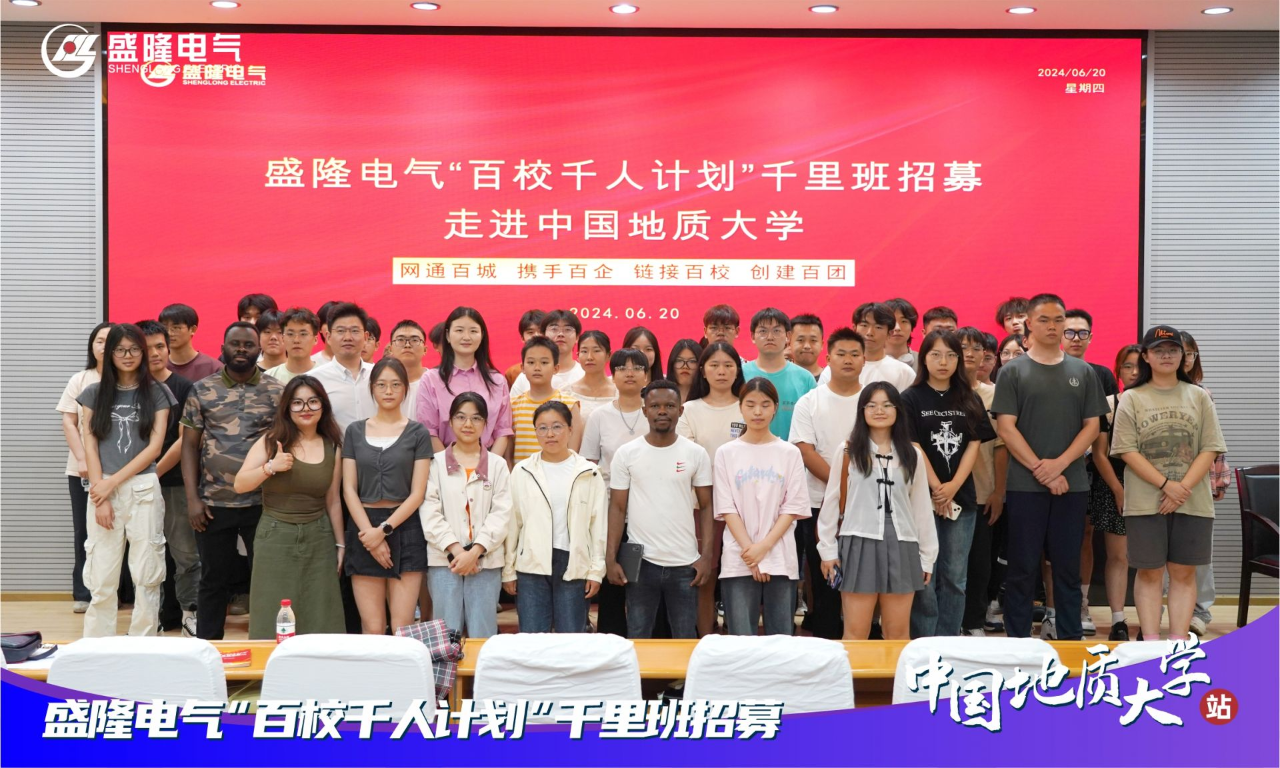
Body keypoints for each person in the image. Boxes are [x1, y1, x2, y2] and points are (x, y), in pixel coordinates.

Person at [992, 293, 1108, 642]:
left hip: (1071, 485)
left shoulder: (1083, 371)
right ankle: (1018, 641)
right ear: (1029, 323)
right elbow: (1006, 427)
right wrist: (1040, 470)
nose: (1052, 326)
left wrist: (1059, 465)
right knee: (1023, 567)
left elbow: (1092, 426)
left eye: (1058, 320)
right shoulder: (1013, 371)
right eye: (1044, 320)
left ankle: (1070, 637)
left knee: (1067, 567)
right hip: (1024, 486)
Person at [1111, 326, 1226, 642]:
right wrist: (1166, 485)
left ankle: (1177, 642)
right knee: (1149, 572)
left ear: (1183, 356)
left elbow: (1210, 447)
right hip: (1145, 502)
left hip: (1193, 501)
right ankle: (1150, 642)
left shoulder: (1199, 396)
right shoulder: (1132, 397)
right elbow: (1126, 450)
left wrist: (1181, 488)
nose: (1166, 355)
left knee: (1184, 572)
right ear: (1146, 356)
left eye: (1173, 350)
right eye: (1158, 350)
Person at [181, 322, 284, 640]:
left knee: (266, 578)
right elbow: (189, 446)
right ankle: (207, 647)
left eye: (248, 344)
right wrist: (193, 499)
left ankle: (266, 644)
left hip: (262, 502)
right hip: (213, 503)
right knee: (213, 578)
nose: (241, 349)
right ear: (222, 347)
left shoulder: (276, 391)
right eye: (235, 343)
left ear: (259, 350)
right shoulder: (202, 389)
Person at [817, 383, 937, 640]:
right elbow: (831, 501)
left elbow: (921, 508)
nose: (879, 410)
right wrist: (827, 550)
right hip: (858, 542)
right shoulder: (848, 450)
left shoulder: (913, 454)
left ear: (898, 410)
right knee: (855, 632)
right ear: (862, 410)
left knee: (898, 633)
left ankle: (895, 671)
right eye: (871, 405)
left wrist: (927, 556)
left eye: (886, 405)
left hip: (903, 543)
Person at [78, 324, 177, 637]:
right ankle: (96, 645)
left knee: (147, 572)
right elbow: (90, 444)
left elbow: (155, 448)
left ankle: (143, 643)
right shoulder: (93, 393)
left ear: (143, 353)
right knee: (101, 574)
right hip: (102, 487)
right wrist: (101, 493)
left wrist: (112, 483)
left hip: (143, 487)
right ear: (109, 353)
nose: (127, 355)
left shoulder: (158, 393)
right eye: (120, 349)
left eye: (134, 349)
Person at [232, 376, 346, 638]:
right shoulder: (271, 441)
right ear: (287, 407)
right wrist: (271, 467)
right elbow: (240, 484)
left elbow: (333, 500)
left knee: (321, 612)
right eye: (297, 403)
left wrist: (340, 545)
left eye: (313, 401)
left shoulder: (332, 445)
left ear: (323, 405)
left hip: (319, 536)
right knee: (271, 612)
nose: (305, 408)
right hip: (275, 535)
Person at [902, 330, 996, 638]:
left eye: (951, 355)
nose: (943, 362)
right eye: (936, 355)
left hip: (962, 497)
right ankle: (924, 638)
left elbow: (974, 444)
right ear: (924, 358)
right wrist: (936, 487)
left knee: (955, 576)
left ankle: (949, 637)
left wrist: (953, 486)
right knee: (925, 572)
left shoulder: (969, 397)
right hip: (921, 498)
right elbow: (913, 445)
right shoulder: (910, 398)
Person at [607, 380, 716, 638]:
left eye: (670, 405)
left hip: (685, 563)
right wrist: (610, 559)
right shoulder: (626, 454)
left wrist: (706, 557)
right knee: (638, 634)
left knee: (684, 636)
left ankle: (683, 671)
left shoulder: (696, 453)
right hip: (641, 563)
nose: (662, 411)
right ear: (645, 410)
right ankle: (640, 670)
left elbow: (707, 506)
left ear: (680, 410)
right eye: (655, 406)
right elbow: (617, 508)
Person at [341, 358, 433, 634]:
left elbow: (417, 493)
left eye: (395, 385)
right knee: (372, 627)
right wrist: (370, 536)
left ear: (405, 389)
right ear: (372, 388)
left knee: (403, 627)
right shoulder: (354, 431)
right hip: (363, 528)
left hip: (405, 527)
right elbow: (348, 489)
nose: (389, 391)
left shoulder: (418, 432)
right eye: (381, 385)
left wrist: (383, 531)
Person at [715, 379, 810, 636]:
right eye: (751, 405)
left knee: (780, 637)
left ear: (775, 408)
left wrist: (763, 549)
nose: (758, 411)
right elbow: (727, 507)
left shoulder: (789, 452)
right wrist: (751, 551)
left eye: (765, 405)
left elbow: (792, 507)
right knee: (740, 638)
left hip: (780, 556)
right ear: (740, 407)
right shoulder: (726, 453)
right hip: (739, 556)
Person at [505, 401, 608, 632]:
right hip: (531, 565)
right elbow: (513, 524)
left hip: (573, 563)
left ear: (570, 429)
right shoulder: (522, 471)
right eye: (542, 428)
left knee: (571, 638)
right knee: (532, 638)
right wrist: (508, 570)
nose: (549, 434)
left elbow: (598, 527)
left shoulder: (589, 472)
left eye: (557, 427)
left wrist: (596, 571)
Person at [790, 328, 865, 639]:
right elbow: (805, 451)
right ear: (828, 357)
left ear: (864, 360)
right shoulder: (809, 402)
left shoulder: (873, 400)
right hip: (819, 503)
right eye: (841, 354)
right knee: (824, 579)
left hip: (867, 504)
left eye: (854, 354)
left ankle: (861, 642)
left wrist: (854, 490)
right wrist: (841, 488)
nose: (848, 360)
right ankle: (826, 639)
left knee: (863, 577)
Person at [421, 393, 512, 638]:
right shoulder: (434, 464)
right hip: (444, 560)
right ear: (450, 422)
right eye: (461, 417)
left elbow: (501, 514)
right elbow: (429, 512)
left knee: (483, 633)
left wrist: (474, 553)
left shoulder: (497, 465)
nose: (468, 424)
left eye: (476, 418)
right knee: (446, 634)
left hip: (485, 561)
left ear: (486, 424)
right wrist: (457, 552)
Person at [579, 348, 651, 636]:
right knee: (612, 583)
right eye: (622, 368)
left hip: (650, 510)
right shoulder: (599, 416)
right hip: (610, 509)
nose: (629, 373)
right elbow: (588, 464)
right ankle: (611, 639)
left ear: (647, 376)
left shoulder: (655, 410)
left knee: (646, 583)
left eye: (637, 368)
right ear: (613, 375)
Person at [678, 342, 748, 636]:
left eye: (729, 365)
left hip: (744, 509)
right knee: (704, 576)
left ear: (738, 371)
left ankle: (738, 635)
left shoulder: (748, 406)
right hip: (700, 507)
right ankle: (704, 638)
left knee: (739, 576)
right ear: (703, 371)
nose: (722, 371)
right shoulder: (689, 410)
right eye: (714, 365)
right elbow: (688, 460)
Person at [137, 320, 199, 637]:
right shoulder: (128, 389)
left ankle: (190, 614)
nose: (155, 353)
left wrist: (153, 473)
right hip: (133, 484)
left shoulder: (185, 387)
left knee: (185, 554)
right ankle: (151, 616)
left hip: (173, 482)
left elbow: (185, 439)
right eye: (147, 349)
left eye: (160, 346)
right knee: (145, 552)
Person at [1062, 308, 1121, 635]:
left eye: (1082, 333)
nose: (1075, 338)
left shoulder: (1101, 375)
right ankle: (1055, 607)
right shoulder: (1044, 370)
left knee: (1085, 535)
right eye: (1069, 332)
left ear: (1090, 337)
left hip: (1091, 466)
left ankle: (1082, 604)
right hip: (1051, 467)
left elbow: (1106, 425)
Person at [1086, 343, 1141, 641]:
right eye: (1127, 367)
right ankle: (1118, 619)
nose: (1133, 372)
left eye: (1138, 366)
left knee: (1152, 559)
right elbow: (1099, 453)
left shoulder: (1158, 401)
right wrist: (1118, 490)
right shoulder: (1108, 404)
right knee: (1117, 556)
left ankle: (1148, 621)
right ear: (1118, 371)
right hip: (1113, 483)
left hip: (1153, 485)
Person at [956, 326, 1008, 638]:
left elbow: (1001, 447)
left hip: (983, 492)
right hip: (945, 495)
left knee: (979, 564)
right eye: (963, 347)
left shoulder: (995, 395)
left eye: (977, 348)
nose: (971, 353)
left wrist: (998, 491)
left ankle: (974, 622)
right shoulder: (936, 394)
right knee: (949, 564)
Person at [58, 322, 112, 613]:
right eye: (99, 340)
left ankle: (117, 592)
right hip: (81, 470)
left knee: (118, 530)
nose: (105, 346)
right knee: (85, 530)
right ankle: (83, 592)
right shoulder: (80, 379)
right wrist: (81, 459)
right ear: (92, 346)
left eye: (110, 340)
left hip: (119, 470)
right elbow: (69, 422)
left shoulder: (130, 379)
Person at [1181, 331, 1228, 637]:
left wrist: (1218, 479)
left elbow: (1215, 442)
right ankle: (1165, 609)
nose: (1184, 358)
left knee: (1199, 553)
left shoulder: (1202, 394)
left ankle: (1200, 612)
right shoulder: (1146, 393)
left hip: (1198, 484)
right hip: (1159, 485)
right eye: (1179, 351)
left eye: (1190, 353)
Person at [416, 307, 513, 456]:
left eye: (473, 331)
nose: (466, 337)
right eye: (459, 330)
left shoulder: (497, 381)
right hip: (443, 460)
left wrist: (488, 464)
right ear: (448, 336)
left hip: (488, 460)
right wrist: (449, 464)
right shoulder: (431, 379)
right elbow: (429, 431)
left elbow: (503, 430)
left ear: (482, 336)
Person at [742, 308, 817, 441]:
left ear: (788, 336)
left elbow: (815, 425)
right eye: (763, 331)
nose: (770, 337)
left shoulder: (805, 379)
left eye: (776, 331)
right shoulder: (739, 374)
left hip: (793, 453)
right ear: (753, 336)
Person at [510, 336, 581, 464]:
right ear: (522, 368)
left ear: (556, 368)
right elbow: (508, 455)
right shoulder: (512, 406)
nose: (537, 368)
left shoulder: (570, 405)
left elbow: (573, 455)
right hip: (522, 474)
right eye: (531, 362)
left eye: (544, 362)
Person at [819, 303, 915, 392]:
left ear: (890, 333)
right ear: (854, 329)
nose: (869, 333)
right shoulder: (833, 370)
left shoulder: (904, 373)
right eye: (864, 325)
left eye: (878, 327)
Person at [310, 303, 376, 431]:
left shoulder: (378, 376)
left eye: (355, 331)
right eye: (340, 331)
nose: (348, 337)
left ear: (365, 337)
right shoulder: (314, 380)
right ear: (328, 337)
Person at [510, 310, 584, 397]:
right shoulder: (526, 376)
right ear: (544, 335)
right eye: (554, 329)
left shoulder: (585, 374)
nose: (560, 334)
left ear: (577, 337)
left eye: (567, 330)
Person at [161, 303, 223, 381]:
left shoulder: (213, 368)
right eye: (164, 328)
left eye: (176, 328)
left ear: (193, 329)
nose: (169, 333)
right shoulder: (157, 367)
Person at [567, 330, 617, 425]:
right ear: (578, 356)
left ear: (608, 355)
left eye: (596, 351)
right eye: (584, 351)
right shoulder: (567, 393)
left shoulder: (620, 392)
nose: (589, 357)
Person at [265, 307, 321, 383]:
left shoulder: (326, 375)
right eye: (290, 334)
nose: (296, 340)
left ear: (315, 339)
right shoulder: (269, 378)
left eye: (303, 334)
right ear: (283, 338)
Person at [386, 319, 428, 418]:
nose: (407, 345)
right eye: (400, 340)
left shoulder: (435, 382)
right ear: (390, 349)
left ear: (425, 350)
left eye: (414, 340)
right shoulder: (380, 384)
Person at [504, 309, 546, 387]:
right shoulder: (513, 373)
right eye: (530, 332)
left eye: (541, 331)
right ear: (522, 338)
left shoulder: (560, 368)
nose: (536, 336)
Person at [885, 298, 919, 370]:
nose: (897, 328)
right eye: (892, 321)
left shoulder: (923, 361)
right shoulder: (867, 361)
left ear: (912, 327)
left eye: (904, 321)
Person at [788, 314, 824, 380]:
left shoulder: (832, 378)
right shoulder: (779, 378)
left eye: (813, 340)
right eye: (800, 340)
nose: (807, 346)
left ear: (822, 344)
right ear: (789, 343)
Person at [310, 300, 341, 365]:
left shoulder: (358, 360)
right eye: (329, 323)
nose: (334, 328)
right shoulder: (311, 362)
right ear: (319, 327)